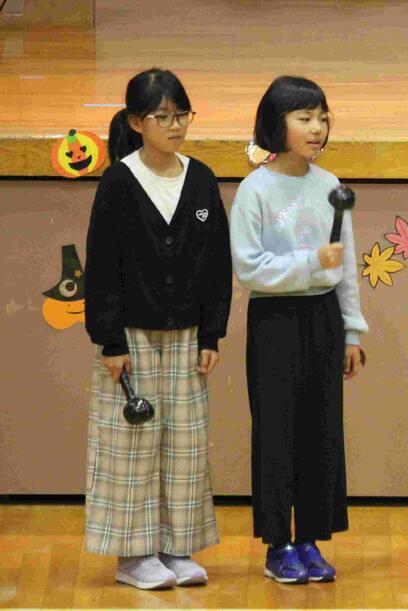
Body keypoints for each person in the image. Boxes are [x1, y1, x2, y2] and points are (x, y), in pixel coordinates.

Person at [84, 68, 231, 590]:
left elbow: (217, 263)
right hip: (131, 338)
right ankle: (133, 557)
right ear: (135, 122)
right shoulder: (119, 182)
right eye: (162, 117)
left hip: (188, 335)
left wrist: (212, 333)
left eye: (182, 115)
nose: (175, 125)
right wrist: (110, 340)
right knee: (132, 445)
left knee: (186, 445)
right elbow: (102, 266)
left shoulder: (202, 178)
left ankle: (176, 547)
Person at [230, 76, 368, 585]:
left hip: (323, 317)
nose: (317, 129)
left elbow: (346, 265)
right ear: (276, 124)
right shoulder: (255, 189)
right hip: (275, 320)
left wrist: (351, 332)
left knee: (321, 431)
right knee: (277, 432)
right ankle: (278, 545)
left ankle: (310, 538)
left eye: (322, 118)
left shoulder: (330, 184)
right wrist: (311, 263)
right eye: (304, 118)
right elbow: (249, 267)